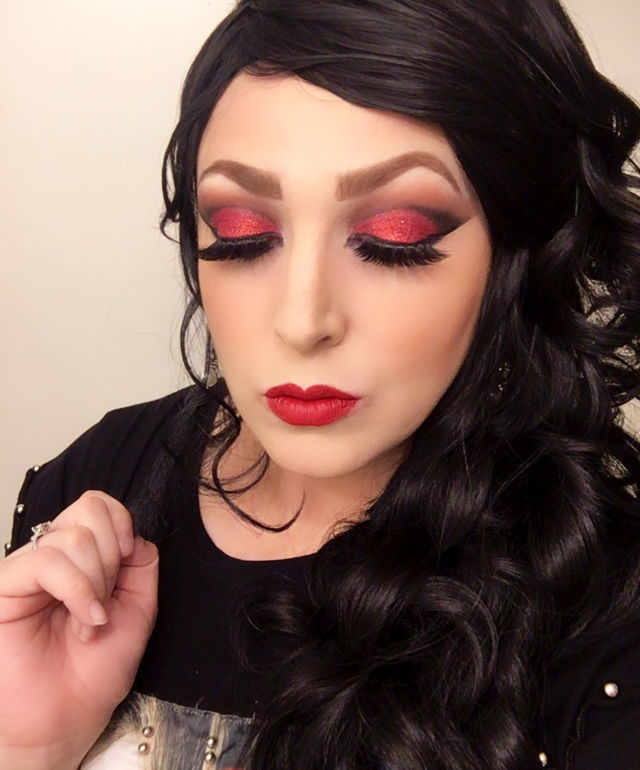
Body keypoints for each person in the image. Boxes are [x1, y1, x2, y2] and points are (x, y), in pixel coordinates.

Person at [2, 0, 639, 767]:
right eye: (243, 235)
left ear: (516, 255)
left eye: (393, 239)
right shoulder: (96, 492)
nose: (302, 322)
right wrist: (28, 746)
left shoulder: (605, 612)